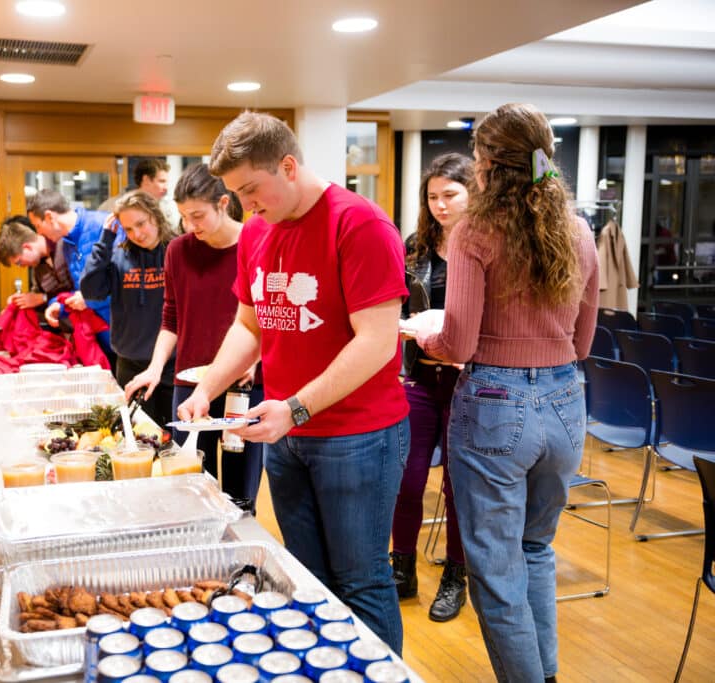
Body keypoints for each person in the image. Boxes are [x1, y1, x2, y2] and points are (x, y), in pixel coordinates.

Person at [178, 112, 411, 653]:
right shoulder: (258, 230)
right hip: (287, 436)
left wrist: (298, 408)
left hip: (358, 436)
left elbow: (377, 342)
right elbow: (249, 325)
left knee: (362, 581)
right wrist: (207, 387)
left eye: (251, 189)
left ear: (288, 166)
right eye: (234, 194)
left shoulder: (359, 225)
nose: (244, 205)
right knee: (308, 580)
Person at [407, 103, 599, 682]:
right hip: (566, 402)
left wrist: (425, 335)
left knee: (494, 568)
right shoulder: (578, 229)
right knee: (536, 550)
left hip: (495, 403)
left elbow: (460, 340)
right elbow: (583, 340)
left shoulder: (475, 231)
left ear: (487, 163)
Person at [124, 163, 264, 508]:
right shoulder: (179, 250)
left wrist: (255, 359)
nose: (190, 225)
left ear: (223, 204)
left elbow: (267, 317)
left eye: (198, 215)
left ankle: (238, 559)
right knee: (191, 486)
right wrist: (156, 367)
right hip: (190, 384)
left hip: (242, 386)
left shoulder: (255, 243)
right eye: (185, 216)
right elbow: (171, 317)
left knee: (237, 494)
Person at [390, 153, 473, 623]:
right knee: (407, 478)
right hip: (420, 375)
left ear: (472, 194)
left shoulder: (486, 246)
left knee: (458, 486)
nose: (440, 205)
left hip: (468, 380)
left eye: (450, 195)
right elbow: (398, 306)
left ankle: (455, 575)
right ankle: (401, 568)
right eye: (433, 196)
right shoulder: (416, 247)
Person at [81, 191, 178, 425]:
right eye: (128, 228)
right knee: (139, 437)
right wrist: (105, 240)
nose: (137, 234)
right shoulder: (118, 256)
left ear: (155, 216)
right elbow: (91, 291)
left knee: (171, 440)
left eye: (141, 224)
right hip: (129, 363)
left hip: (172, 364)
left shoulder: (176, 251)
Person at [25, 189, 113, 356]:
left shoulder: (105, 226)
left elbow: (129, 283)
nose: (39, 233)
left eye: (38, 226)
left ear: (50, 217)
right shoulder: (66, 245)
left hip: (128, 335)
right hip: (102, 338)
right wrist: (61, 306)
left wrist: (89, 299)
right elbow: (82, 291)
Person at [0, 215, 74, 326]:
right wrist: (20, 303)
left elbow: (82, 292)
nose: (21, 266)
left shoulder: (65, 245)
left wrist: (43, 298)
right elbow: (40, 299)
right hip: (70, 329)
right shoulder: (37, 269)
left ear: (27, 247)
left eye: (18, 262)